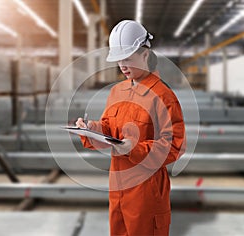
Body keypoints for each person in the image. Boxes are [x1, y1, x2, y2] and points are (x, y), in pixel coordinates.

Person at [76, 20, 185, 236]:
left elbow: (174, 146)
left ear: (145, 54)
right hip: (118, 186)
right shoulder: (117, 92)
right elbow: (109, 129)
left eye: (127, 59)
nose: (122, 66)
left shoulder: (163, 97)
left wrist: (133, 150)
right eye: (118, 60)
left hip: (147, 192)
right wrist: (90, 128)